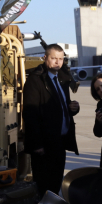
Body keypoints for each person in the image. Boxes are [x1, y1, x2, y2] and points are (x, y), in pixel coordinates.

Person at [23, 44, 80, 195]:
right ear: (45, 58)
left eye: (60, 59)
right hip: (44, 145)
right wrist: (37, 144)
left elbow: (61, 107)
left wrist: (73, 108)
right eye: (54, 58)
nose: (57, 62)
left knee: (55, 184)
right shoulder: (35, 81)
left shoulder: (61, 79)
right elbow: (30, 114)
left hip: (59, 142)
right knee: (43, 186)